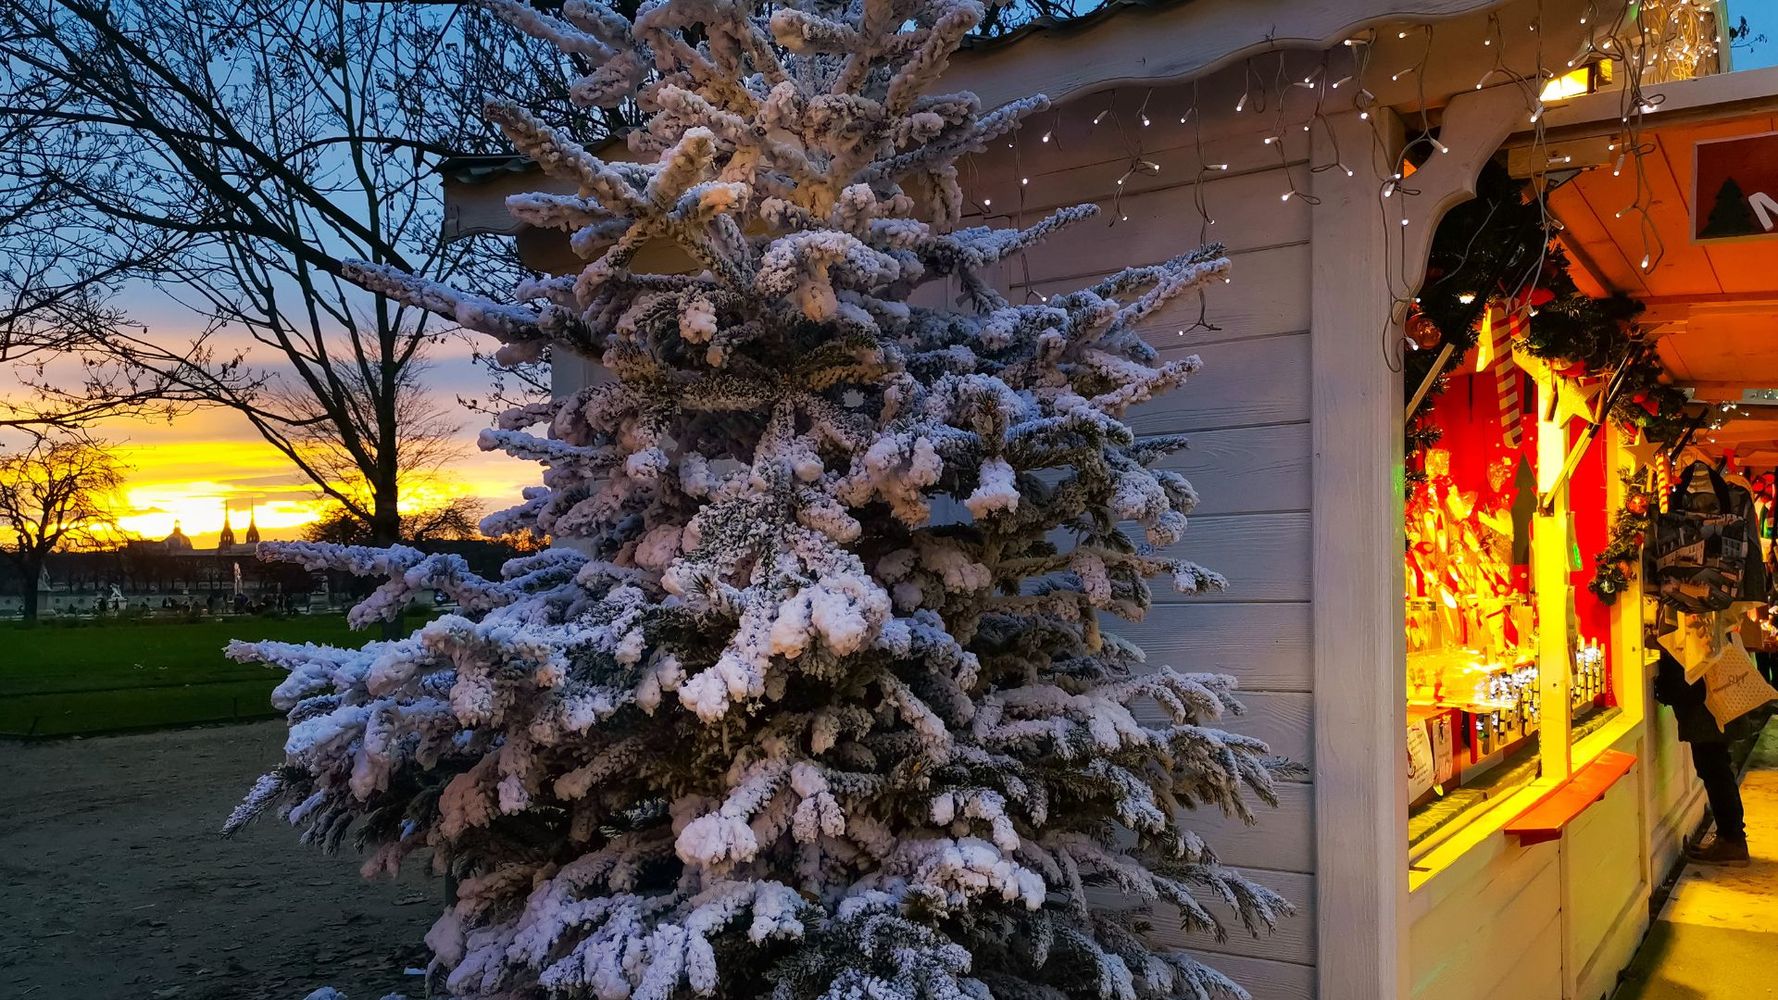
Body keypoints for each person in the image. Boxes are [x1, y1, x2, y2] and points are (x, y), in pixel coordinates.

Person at [1653, 649, 1750, 865]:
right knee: (1716, 766)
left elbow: (1689, 663)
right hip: (1708, 698)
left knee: (1714, 767)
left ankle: (1732, 840)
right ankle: (1731, 837)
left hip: (1706, 701)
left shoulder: (1694, 618)